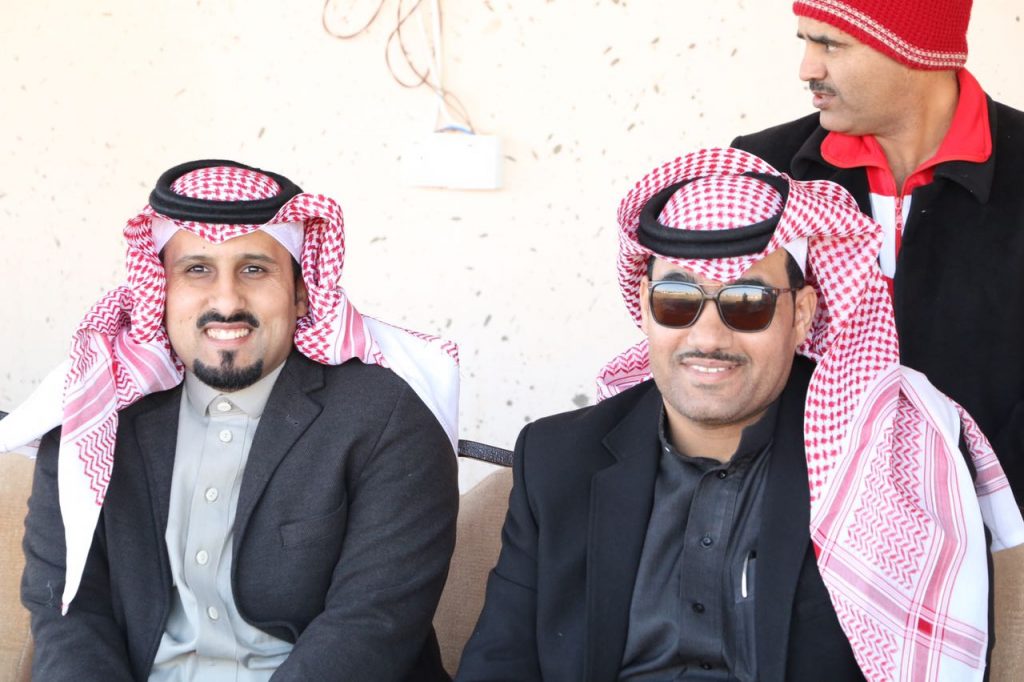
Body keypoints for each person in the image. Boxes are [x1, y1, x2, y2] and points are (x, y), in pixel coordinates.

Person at [455, 148, 1023, 681]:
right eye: (677, 300)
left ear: (802, 314)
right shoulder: (557, 460)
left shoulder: (894, 457)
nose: (708, 337)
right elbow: (499, 664)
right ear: (645, 308)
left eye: (747, 303)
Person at [3, 160, 460, 681]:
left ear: (302, 291)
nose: (226, 302)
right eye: (196, 269)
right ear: (158, 289)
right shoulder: (96, 405)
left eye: (255, 269)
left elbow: (371, 627)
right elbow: (68, 611)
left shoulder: (387, 415)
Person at [731, 0, 1024, 506]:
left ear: (915, 50)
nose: (808, 69)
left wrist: (993, 515)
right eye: (806, 40)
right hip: (800, 520)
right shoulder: (765, 170)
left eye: (831, 45)